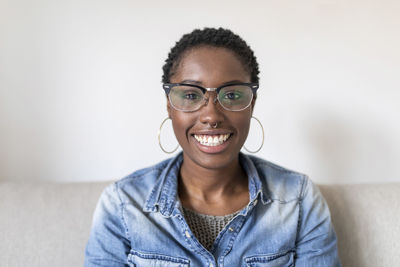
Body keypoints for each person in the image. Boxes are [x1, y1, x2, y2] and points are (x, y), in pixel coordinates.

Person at [84, 27, 341, 266]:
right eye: (191, 95)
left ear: (251, 104)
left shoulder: (298, 199)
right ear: (168, 104)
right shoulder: (122, 205)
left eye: (231, 95)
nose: (211, 116)